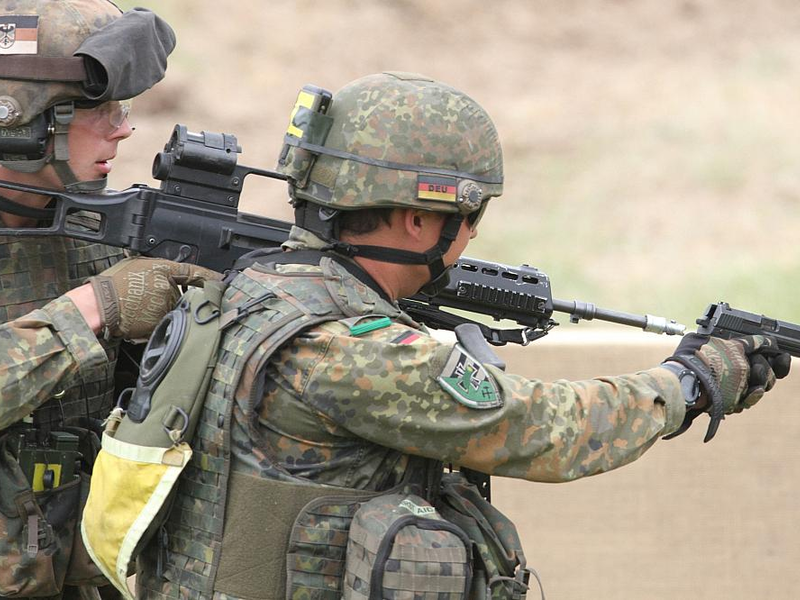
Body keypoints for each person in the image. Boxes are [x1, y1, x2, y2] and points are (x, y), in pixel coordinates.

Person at [133, 72, 791, 599]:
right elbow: (550, 432)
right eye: (471, 216)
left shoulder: (249, 286)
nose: (472, 234)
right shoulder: (357, 349)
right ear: (419, 221)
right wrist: (690, 383)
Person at [0, 2, 217, 598]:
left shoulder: (96, 236)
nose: (123, 128)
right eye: (100, 109)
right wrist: (94, 310)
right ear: (21, 121)